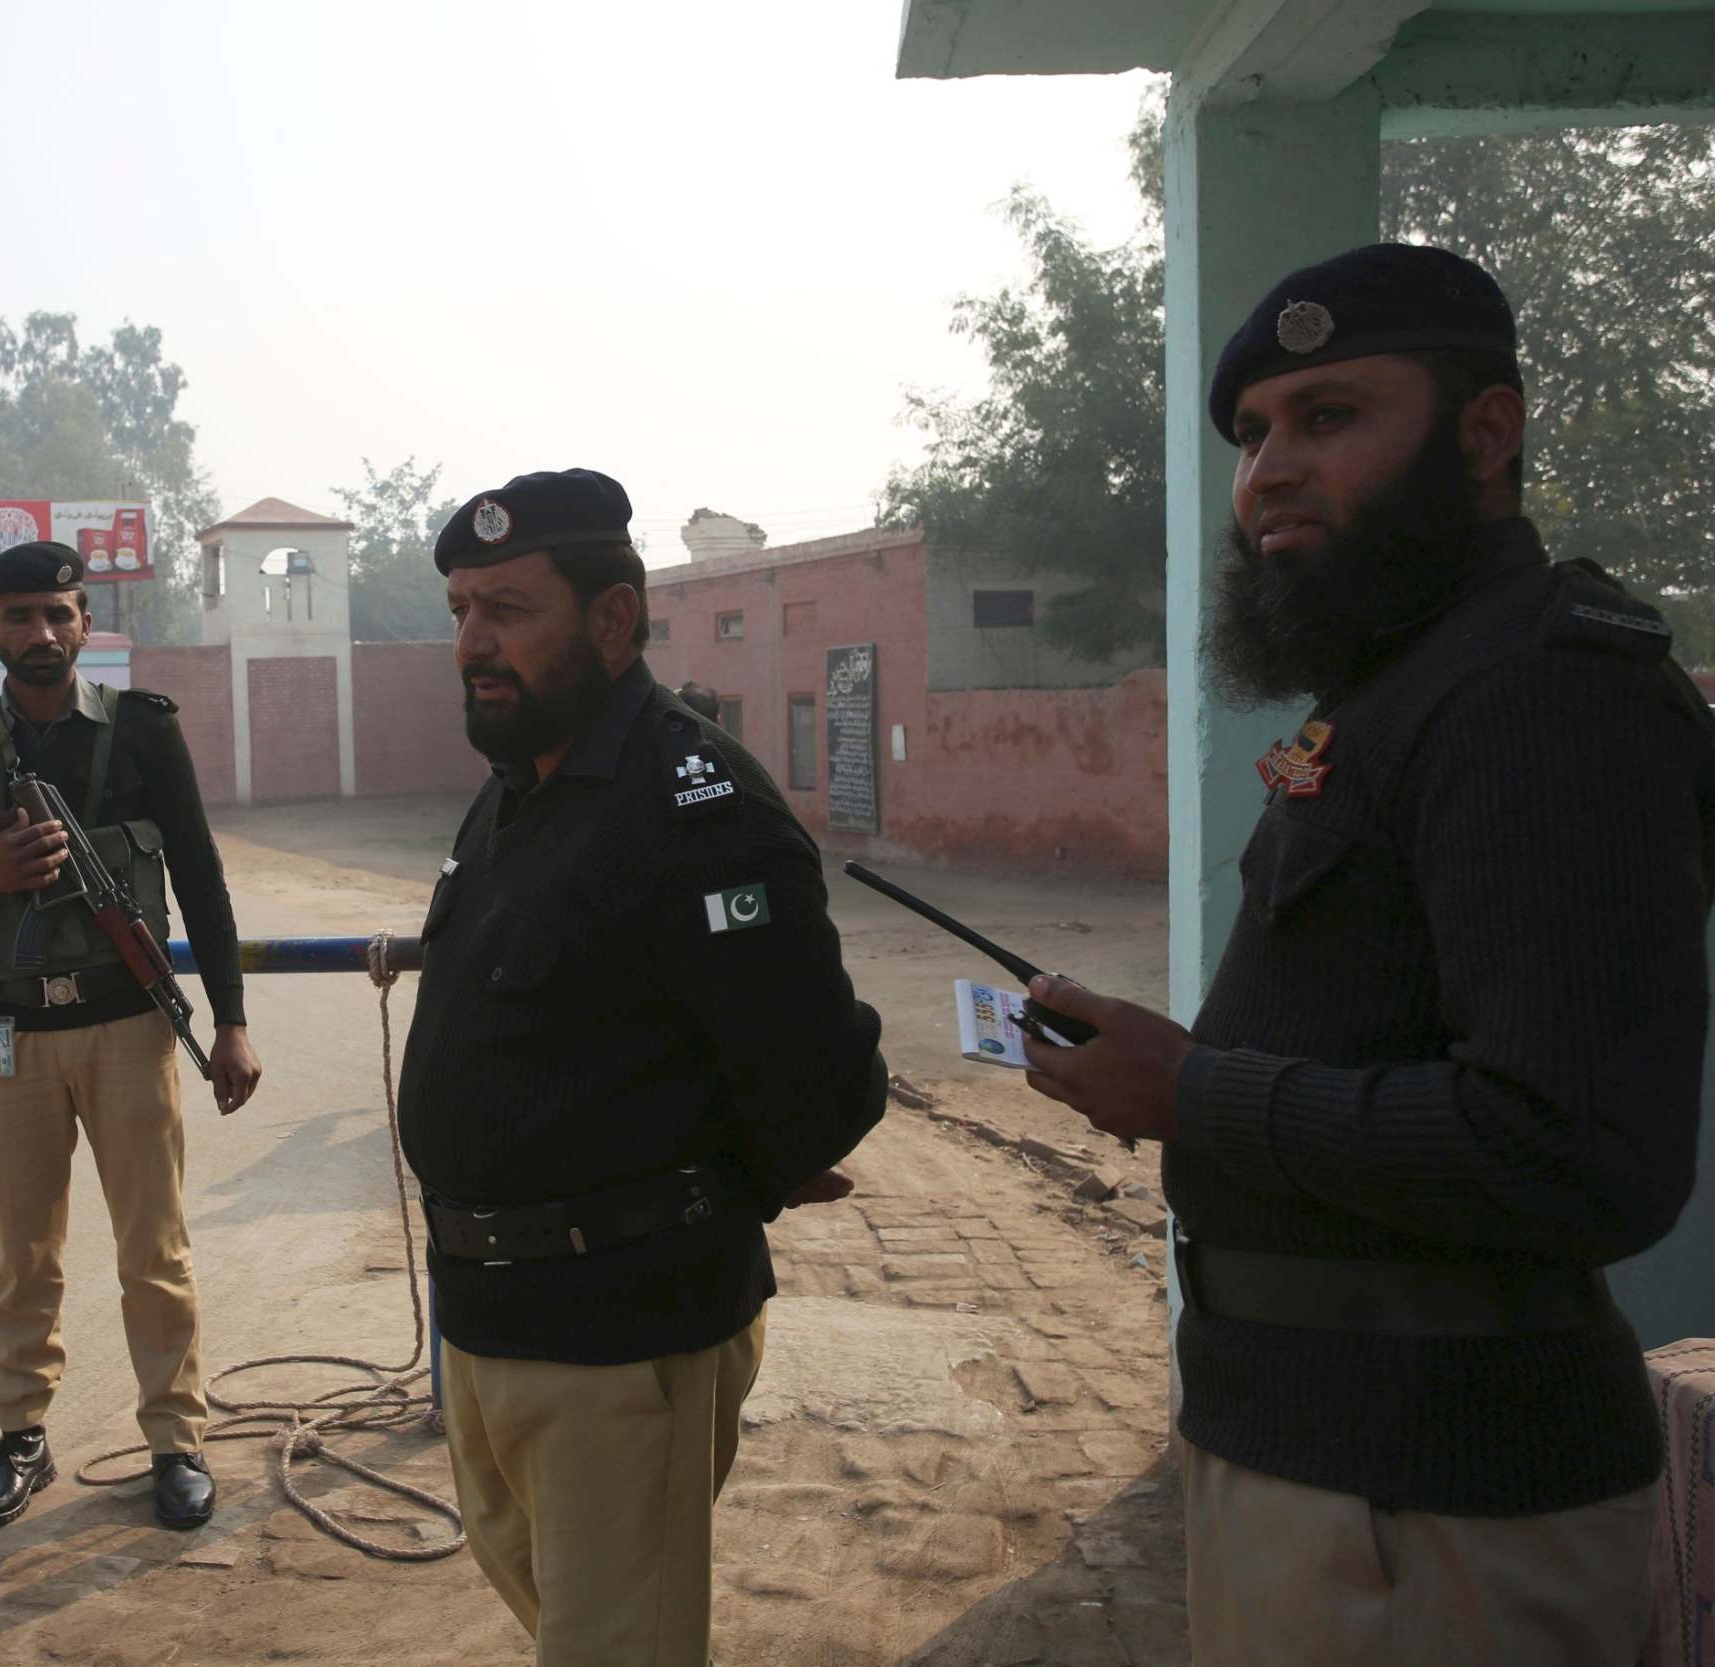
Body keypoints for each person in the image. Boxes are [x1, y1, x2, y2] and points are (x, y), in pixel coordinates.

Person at [1016, 244, 1715, 1667]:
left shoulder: (1538, 692)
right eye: (1254, 433)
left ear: (1484, 431)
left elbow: (1576, 1145)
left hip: (1430, 1501)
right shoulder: (1408, 681)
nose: (1268, 468)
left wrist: (1194, 1092)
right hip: (1321, 1455)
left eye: (1329, 416)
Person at [397, 468, 887, 1665]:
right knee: (562, 1615)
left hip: (618, 1328)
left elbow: (816, 1074)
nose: (472, 642)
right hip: (487, 1317)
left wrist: (734, 1176)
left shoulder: (691, 805)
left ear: (611, 620)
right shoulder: (518, 790)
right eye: (461, 609)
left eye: (506, 609)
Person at [0, 540, 263, 1532]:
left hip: (127, 1030)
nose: (41, 633)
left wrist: (229, 1020)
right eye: (20, 616)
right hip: (11, 1034)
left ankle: (175, 1439)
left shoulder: (139, 733)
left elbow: (201, 879)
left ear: (85, 623)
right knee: (23, 1253)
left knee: (155, 1247)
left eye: (58, 613)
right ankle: (21, 1437)